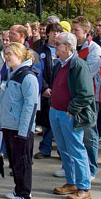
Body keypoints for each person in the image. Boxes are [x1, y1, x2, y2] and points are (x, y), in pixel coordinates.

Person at [48, 32, 95, 199]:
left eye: (58, 43)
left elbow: (86, 94)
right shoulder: (59, 64)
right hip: (56, 112)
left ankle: (84, 187)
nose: (55, 45)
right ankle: (71, 182)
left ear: (68, 46)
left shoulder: (78, 65)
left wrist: (71, 110)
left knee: (76, 150)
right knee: (64, 149)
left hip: (69, 115)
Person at [0, 43, 40, 199]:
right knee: (14, 161)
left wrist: (24, 131)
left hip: (20, 129)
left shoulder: (28, 76)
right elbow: (5, 102)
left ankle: (24, 194)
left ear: (20, 55)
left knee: (22, 162)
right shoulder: (13, 74)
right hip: (9, 125)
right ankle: (18, 188)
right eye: (5, 53)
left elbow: (31, 105)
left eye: (10, 54)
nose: (6, 57)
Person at [71, 17, 101, 180]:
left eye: (76, 30)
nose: (73, 33)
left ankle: (91, 168)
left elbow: (87, 74)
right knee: (72, 132)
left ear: (86, 32)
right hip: (72, 95)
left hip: (89, 97)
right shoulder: (71, 47)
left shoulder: (94, 49)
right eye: (72, 30)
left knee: (89, 133)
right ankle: (70, 166)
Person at [34, 22, 61, 159]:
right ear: (48, 33)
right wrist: (44, 87)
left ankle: (62, 151)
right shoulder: (41, 52)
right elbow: (38, 72)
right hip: (47, 91)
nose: (55, 34)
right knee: (46, 121)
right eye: (53, 31)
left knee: (61, 123)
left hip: (61, 91)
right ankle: (45, 148)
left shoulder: (64, 50)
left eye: (58, 32)